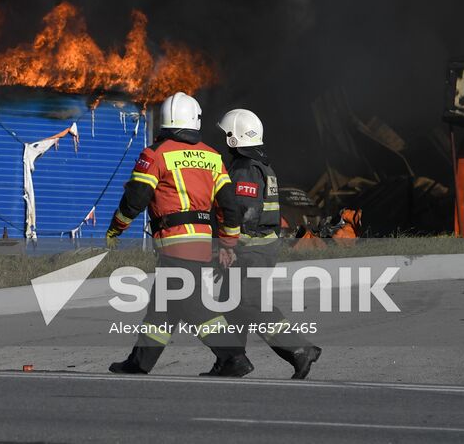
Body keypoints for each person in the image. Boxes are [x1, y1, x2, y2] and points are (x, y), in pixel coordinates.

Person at [106, 91, 244, 374]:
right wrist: (228, 243)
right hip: (202, 242)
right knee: (163, 308)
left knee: (192, 306)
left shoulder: (155, 154)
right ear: (195, 121)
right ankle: (139, 362)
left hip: (174, 242)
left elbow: (136, 198)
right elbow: (230, 206)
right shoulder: (213, 157)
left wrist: (115, 228)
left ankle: (233, 357)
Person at [202, 108, 322, 380]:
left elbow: (245, 213)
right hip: (258, 247)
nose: (224, 139)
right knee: (231, 304)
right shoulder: (262, 165)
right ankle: (231, 361)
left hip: (250, 249)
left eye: (226, 134)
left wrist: (228, 247)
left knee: (250, 304)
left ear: (235, 138)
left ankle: (300, 349)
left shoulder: (244, 169)